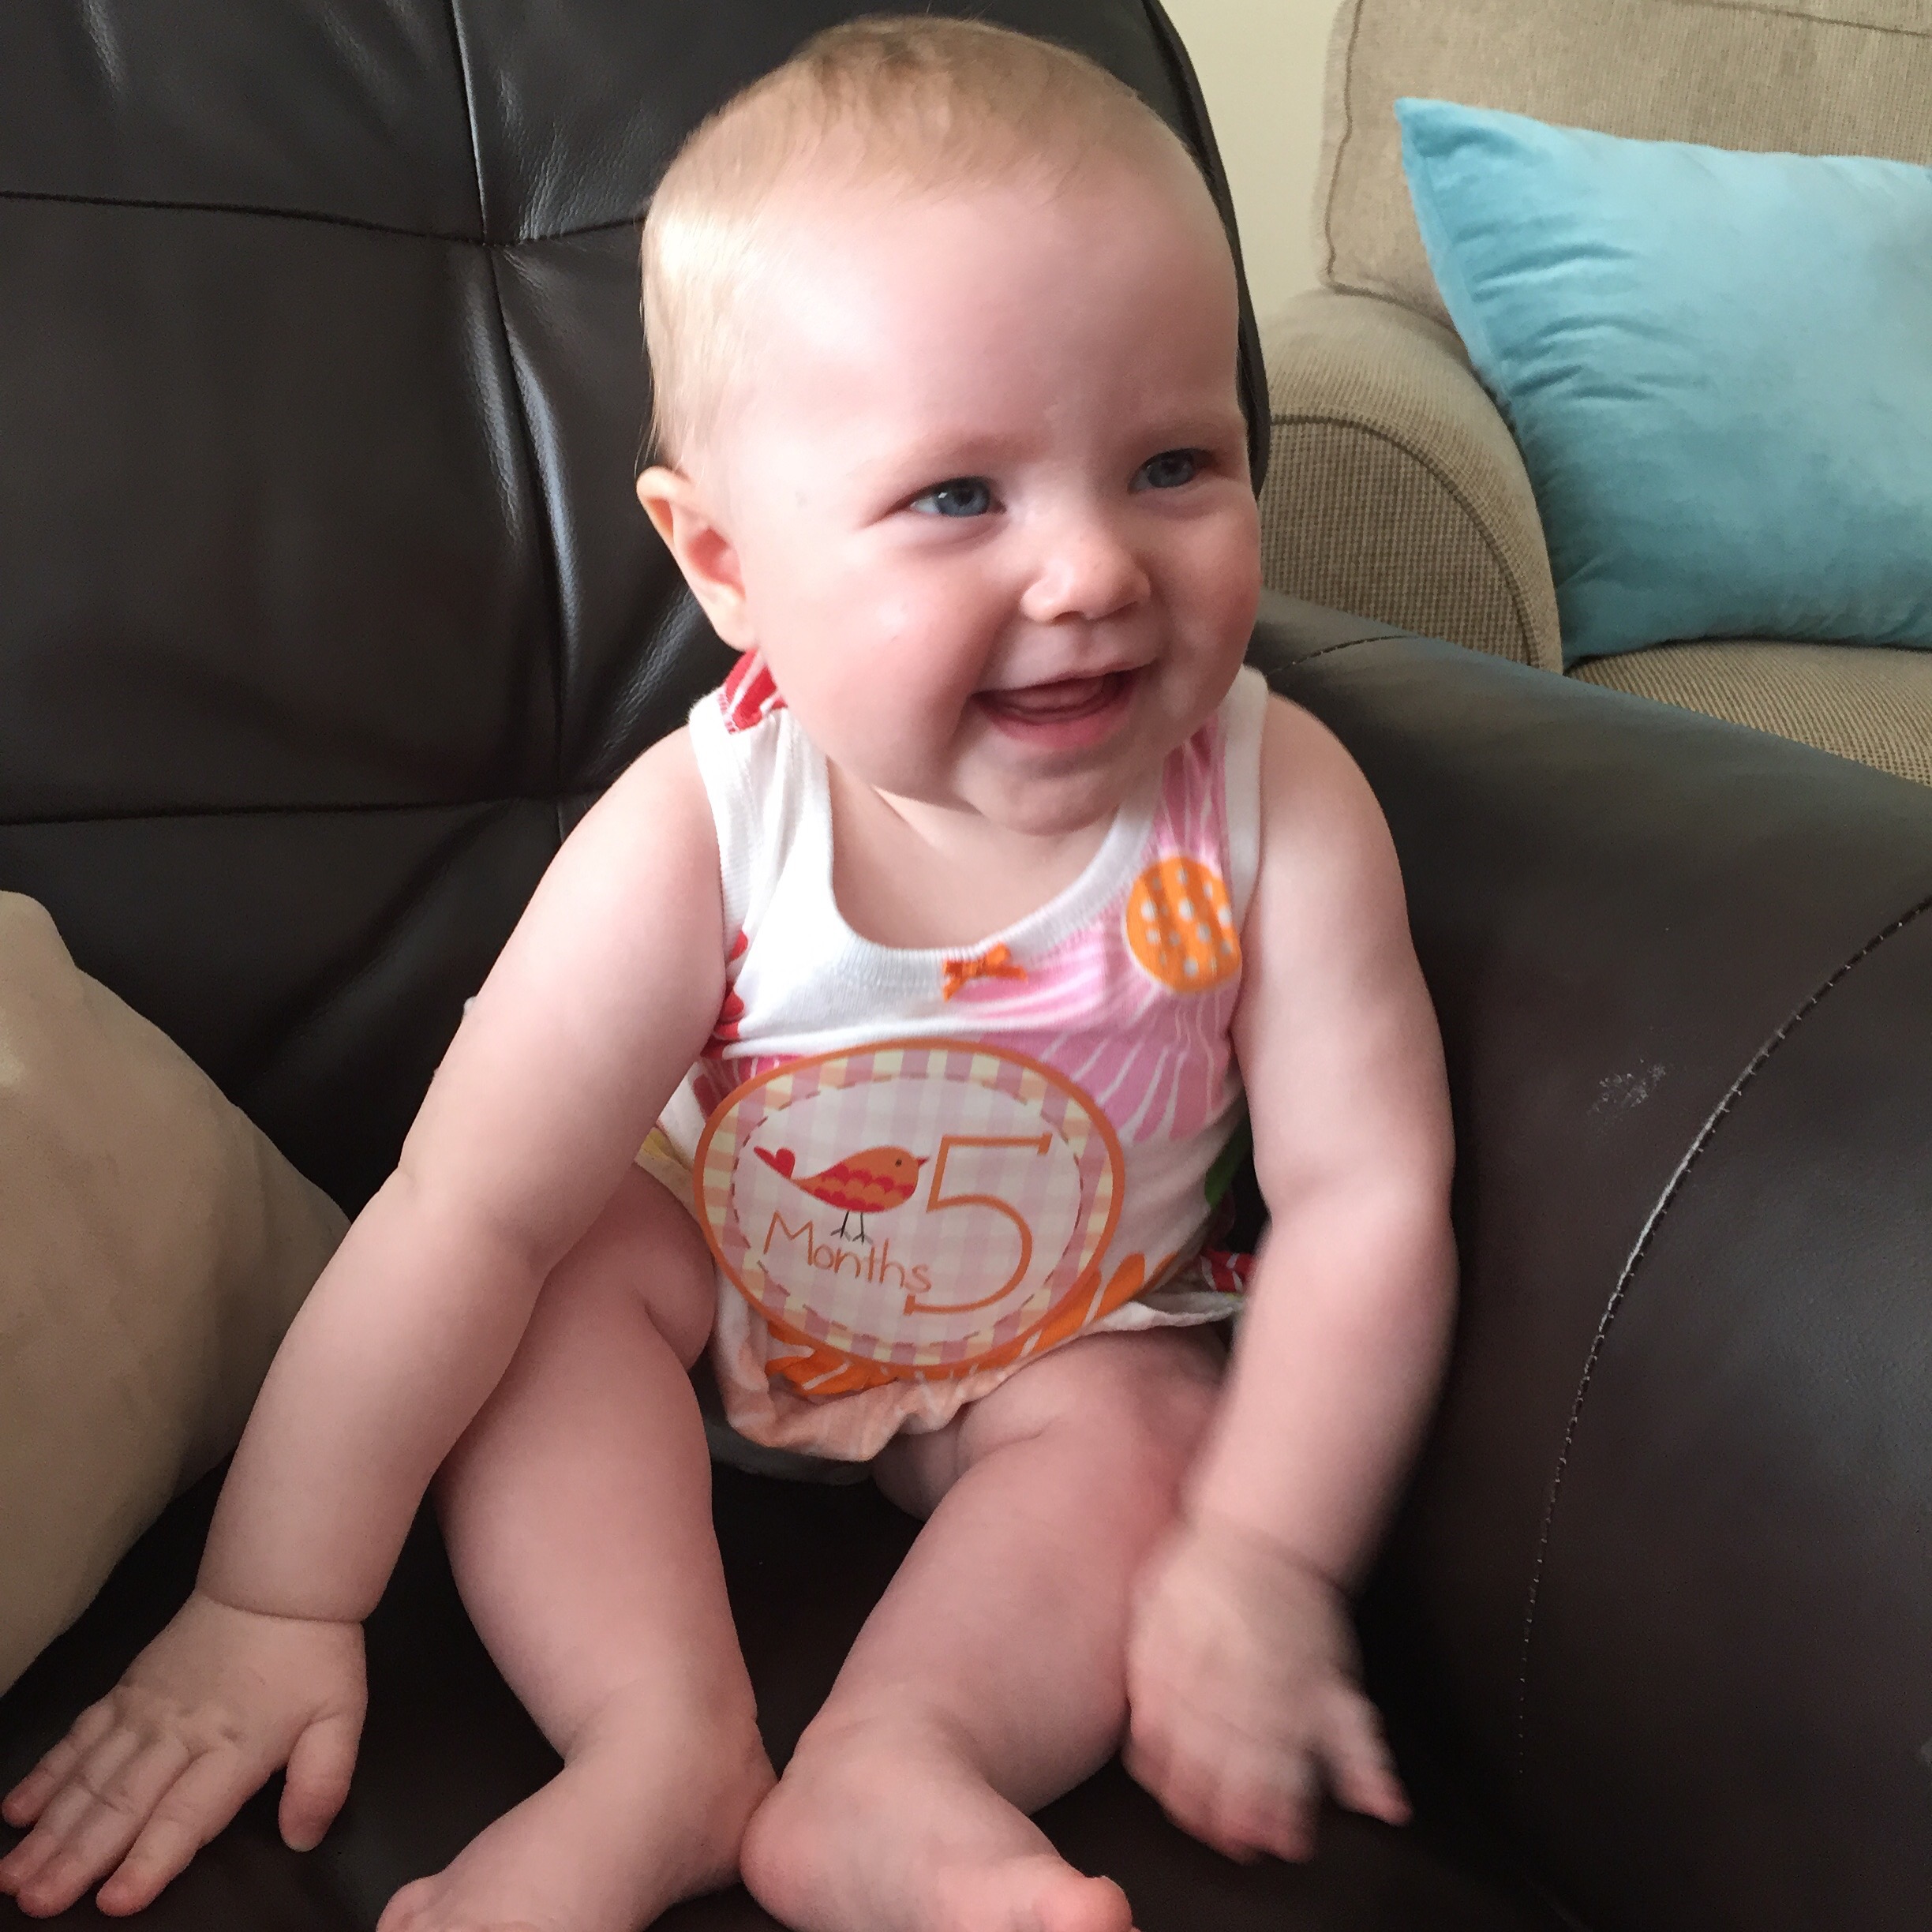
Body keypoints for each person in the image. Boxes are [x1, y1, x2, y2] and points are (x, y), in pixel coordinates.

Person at [0, 18, 1455, 1932]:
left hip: (1065, 1342)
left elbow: (1367, 1199)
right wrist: (273, 1598)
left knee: (1162, 1427)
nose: (1094, 570)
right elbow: (457, 1214)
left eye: (1172, 463)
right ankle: (660, 1741)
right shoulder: (701, 830)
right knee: (550, 1284)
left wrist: (1265, 1563)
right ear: (725, 563)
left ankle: (894, 1771)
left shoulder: (1280, 807)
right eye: (960, 496)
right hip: (709, 1299)